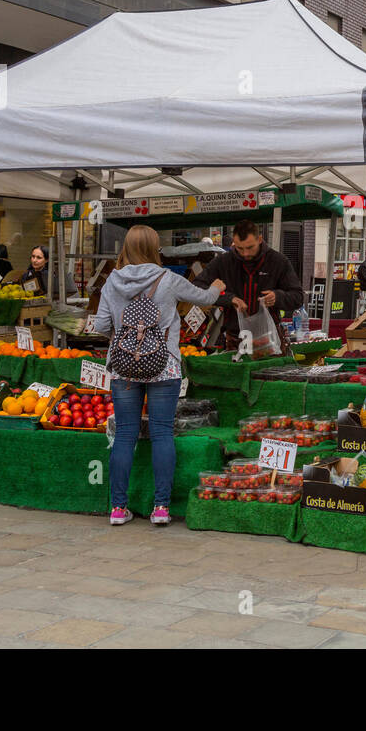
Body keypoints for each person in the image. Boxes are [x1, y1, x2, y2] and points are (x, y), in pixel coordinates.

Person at [92, 224, 225, 526]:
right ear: (155, 249)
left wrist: (122, 331)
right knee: (162, 433)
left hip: (124, 367)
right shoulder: (169, 280)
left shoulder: (111, 281)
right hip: (164, 366)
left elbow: (100, 326)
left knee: (125, 434)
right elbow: (205, 298)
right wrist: (217, 286)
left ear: (126, 247)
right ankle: (161, 508)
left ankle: (117, 508)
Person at [193, 219, 304, 344]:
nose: (245, 253)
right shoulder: (223, 262)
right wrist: (229, 298)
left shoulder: (278, 261)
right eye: (240, 248)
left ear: (260, 239)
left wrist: (277, 297)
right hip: (234, 338)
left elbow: (298, 297)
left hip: (269, 339)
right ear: (234, 243)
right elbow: (197, 287)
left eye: (250, 247)